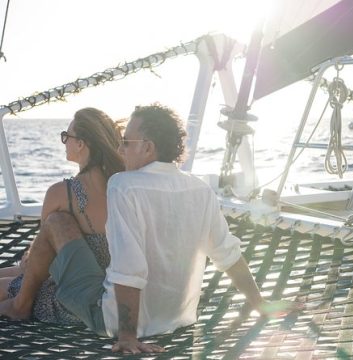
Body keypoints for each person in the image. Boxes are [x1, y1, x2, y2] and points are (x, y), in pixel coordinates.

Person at [0, 103, 297, 354]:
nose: (119, 149)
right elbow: (227, 254)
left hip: (114, 319)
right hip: (180, 317)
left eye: (126, 142)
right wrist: (260, 304)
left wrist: (127, 335)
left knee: (56, 223)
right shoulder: (200, 189)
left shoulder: (124, 186)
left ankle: (20, 304)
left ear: (147, 147)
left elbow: (129, 266)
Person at [0, 107, 124, 323]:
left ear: (81, 143)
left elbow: (44, 263)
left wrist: (25, 265)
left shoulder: (62, 193)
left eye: (66, 136)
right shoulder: (123, 187)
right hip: (115, 293)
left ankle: (20, 306)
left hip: (69, 302)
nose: (64, 141)